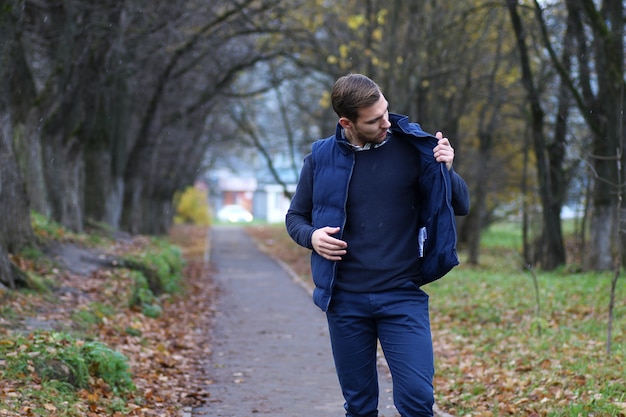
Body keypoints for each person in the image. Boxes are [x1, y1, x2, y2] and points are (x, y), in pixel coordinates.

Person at [285, 74, 470, 417]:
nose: (387, 122)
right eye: (374, 120)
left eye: (386, 111)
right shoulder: (321, 157)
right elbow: (295, 217)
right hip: (345, 300)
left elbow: (459, 205)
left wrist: (447, 167)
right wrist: (311, 237)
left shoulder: (414, 149)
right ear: (347, 122)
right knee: (359, 406)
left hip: (401, 295)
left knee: (417, 400)